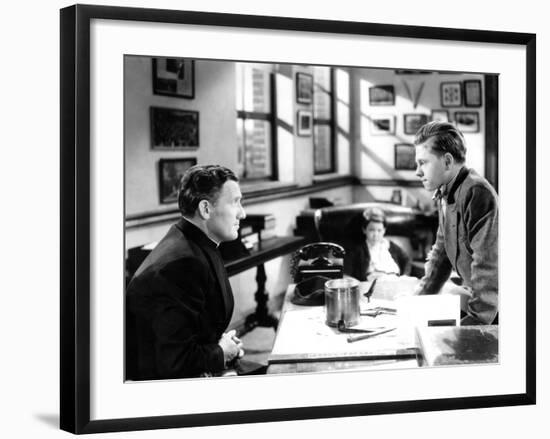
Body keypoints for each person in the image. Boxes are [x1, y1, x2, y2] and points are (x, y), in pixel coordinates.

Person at [127, 164, 248, 379]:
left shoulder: (198, 243)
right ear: (205, 209)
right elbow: (174, 361)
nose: (243, 213)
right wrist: (221, 352)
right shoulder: (181, 265)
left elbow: (195, 325)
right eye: (235, 202)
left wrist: (221, 343)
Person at [413, 121, 498, 325]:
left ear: (448, 162)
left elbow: (487, 268)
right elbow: (441, 254)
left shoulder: (477, 193)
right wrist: (416, 303)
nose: (417, 171)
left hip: (497, 312)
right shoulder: (446, 192)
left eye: (423, 163)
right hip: (479, 301)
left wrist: (473, 327)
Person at [344, 207, 411, 281]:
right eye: (371, 230)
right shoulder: (358, 249)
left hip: (394, 280)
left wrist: (405, 275)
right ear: (364, 230)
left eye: (379, 230)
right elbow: (346, 272)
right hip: (374, 282)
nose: (375, 234)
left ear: (384, 231)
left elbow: (406, 260)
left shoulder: (389, 245)